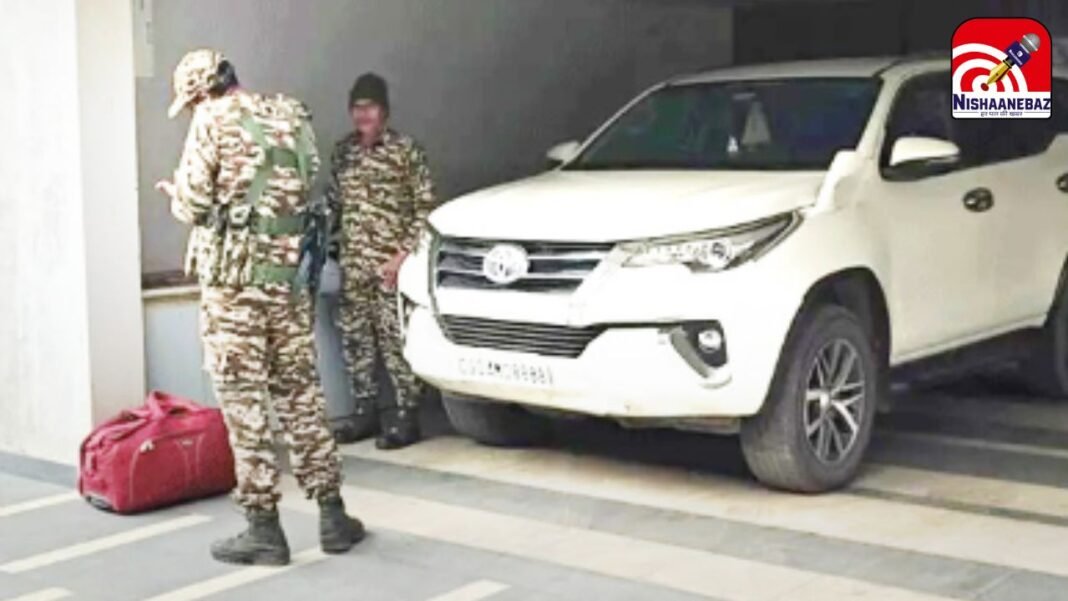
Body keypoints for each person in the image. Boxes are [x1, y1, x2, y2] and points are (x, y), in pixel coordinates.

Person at [155, 49, 364, 566]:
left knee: (244, 401)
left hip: (234, 291)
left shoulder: (210, 119)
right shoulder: (291, 113)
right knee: (301, 395)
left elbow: (194, 203)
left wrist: (176, 194)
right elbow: (307, 178)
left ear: (201, 92)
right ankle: (333, 515)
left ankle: (263, 527)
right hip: (288, 282)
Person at [325, 73, 438, 450]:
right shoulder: (344, 152)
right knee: (356, 342)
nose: (363, 115)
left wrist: (401, 255)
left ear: (384, 111)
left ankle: (407, 415)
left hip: (394, 268)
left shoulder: (406, 150)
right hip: (354, 266)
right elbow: (334, 205)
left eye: (370, 107)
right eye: (357, 108)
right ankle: (365, 412)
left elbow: (425, 208)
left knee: (395, 342)